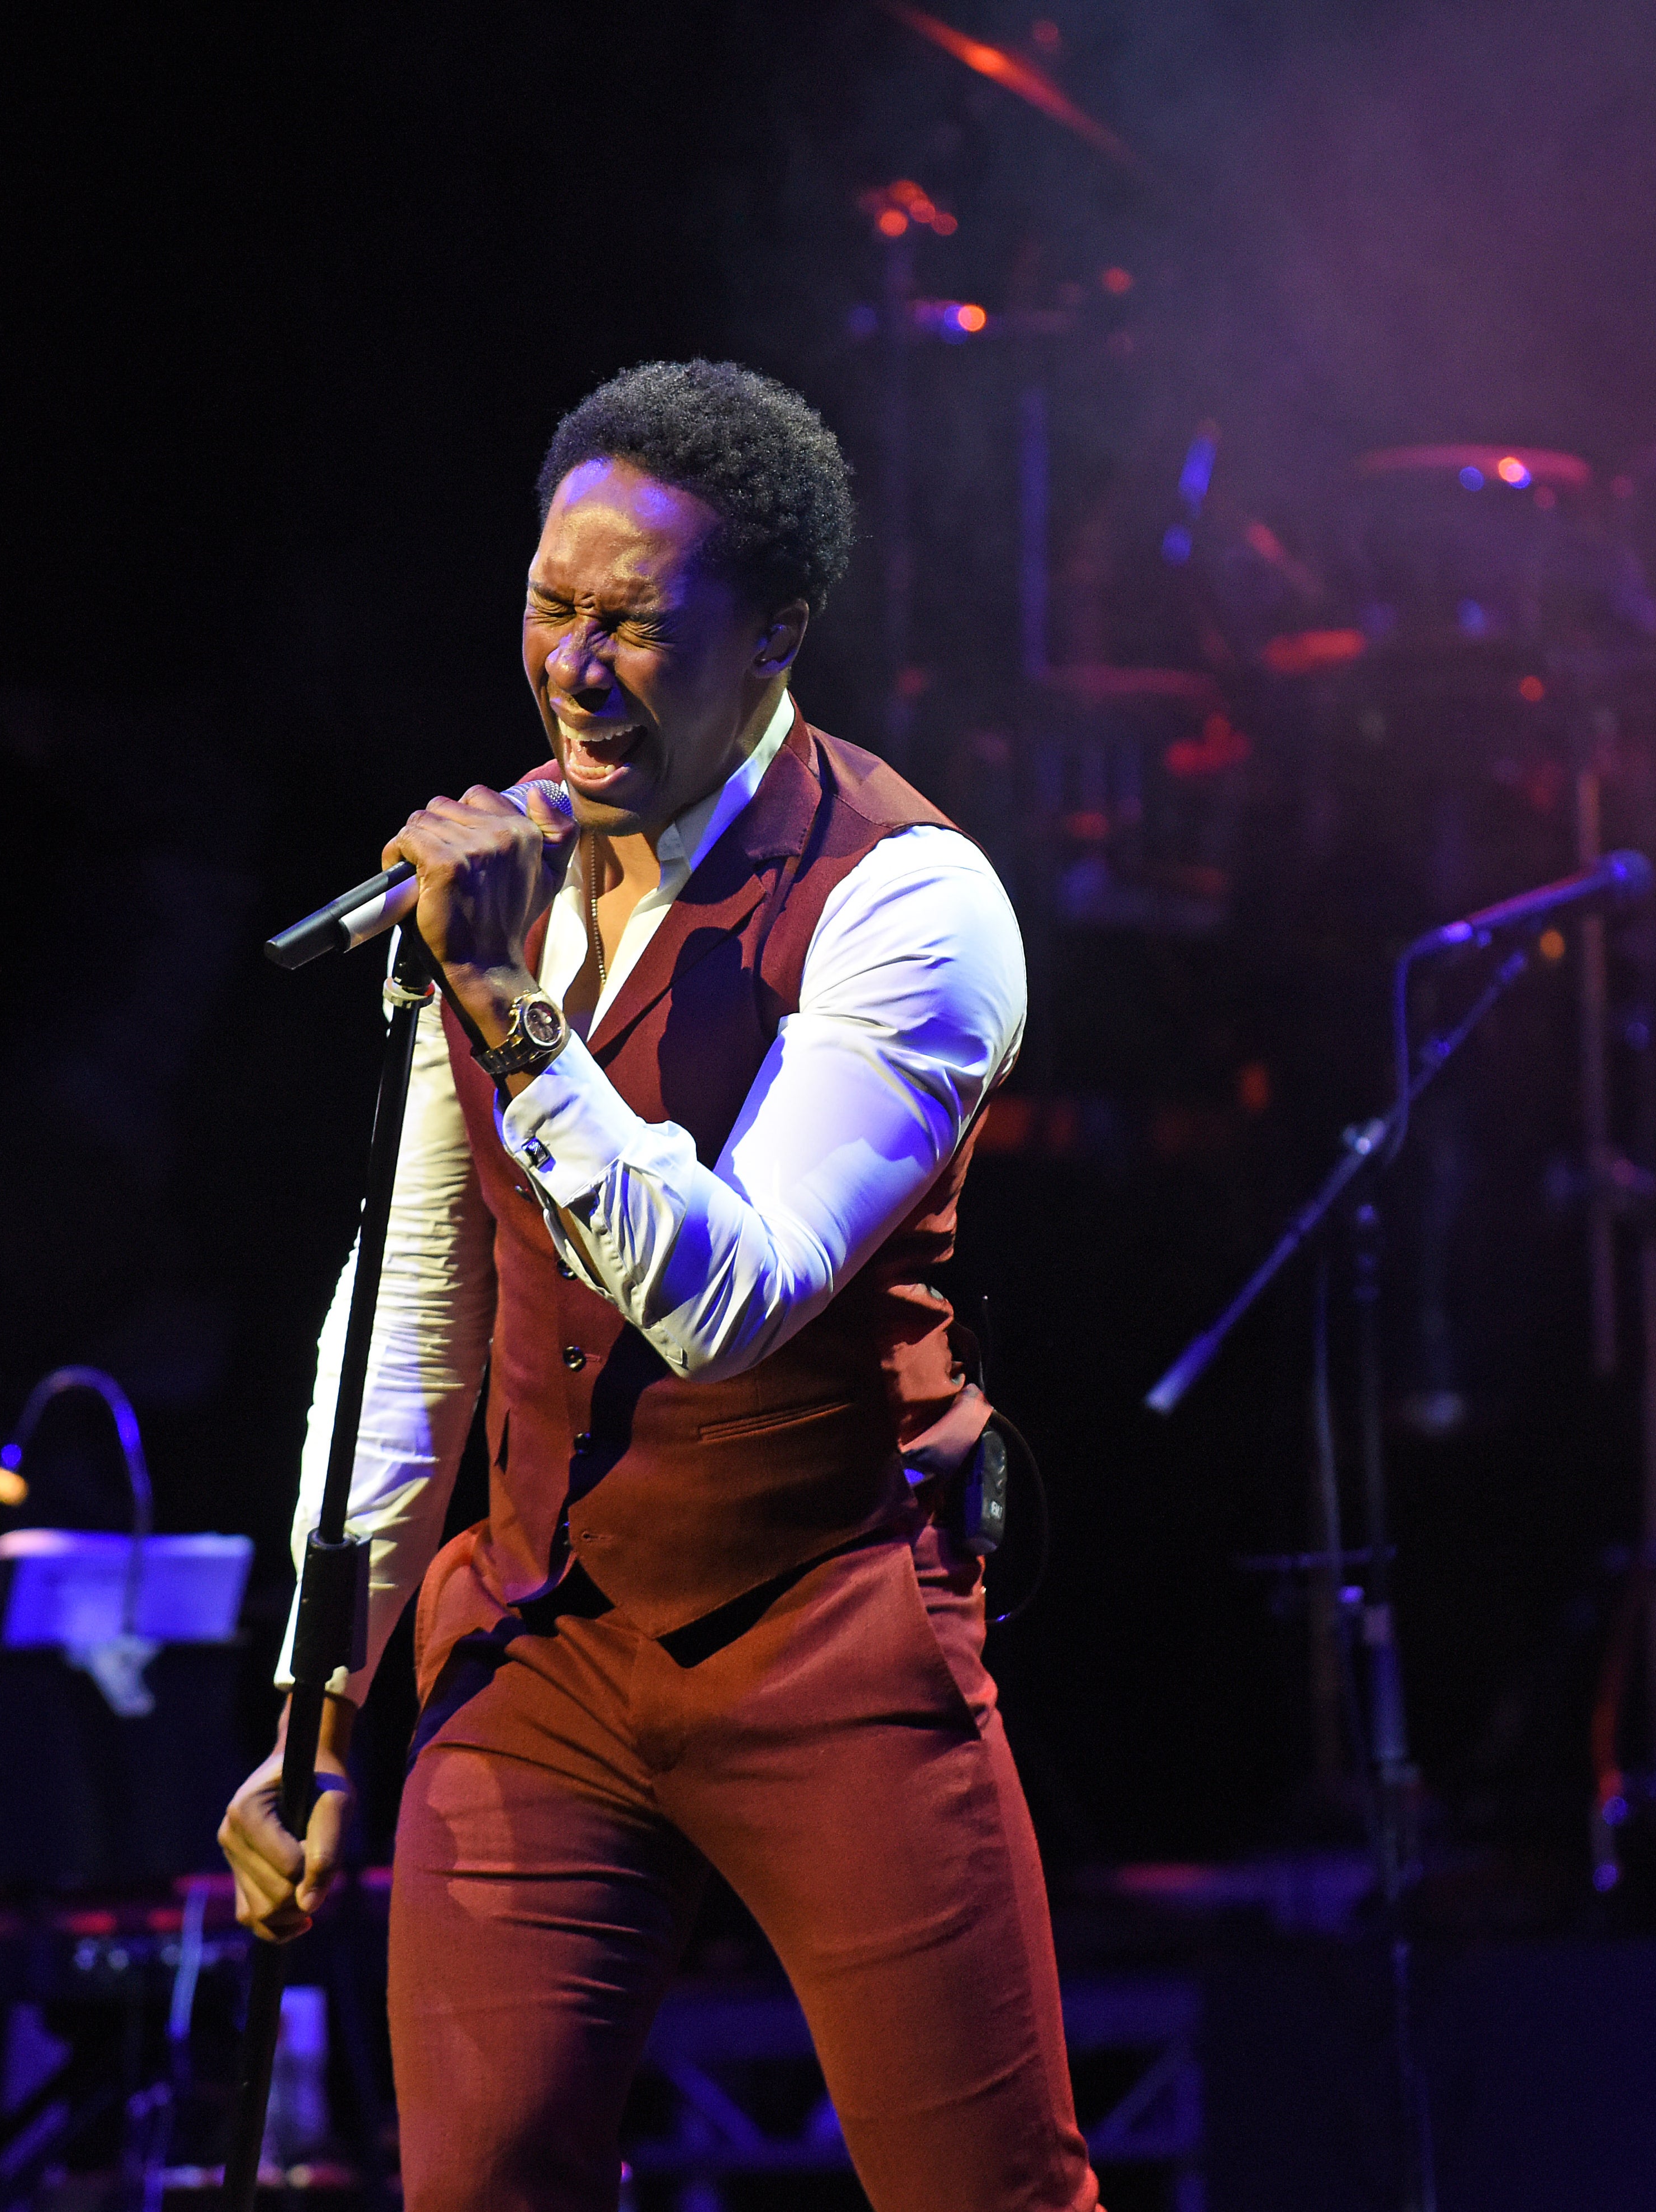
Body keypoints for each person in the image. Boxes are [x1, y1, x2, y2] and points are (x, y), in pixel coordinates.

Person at [219, 360, 1100, 2211]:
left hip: (826, 1625)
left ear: (776, 632)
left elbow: (733, 1297)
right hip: (545, 1636)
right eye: (554, 604)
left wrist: (518, 1014)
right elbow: (412, 1322)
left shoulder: (913, 906)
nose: (576, 662)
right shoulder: (507, 882)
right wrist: (318, 1707)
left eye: (636, 621)